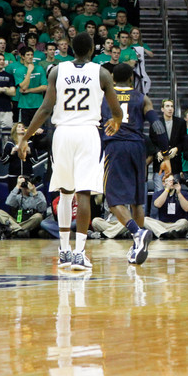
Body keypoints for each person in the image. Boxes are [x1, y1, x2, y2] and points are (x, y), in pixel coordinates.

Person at [19, 32, 122, 271]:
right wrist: (116, 120)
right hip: (87, 133)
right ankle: (79, 253)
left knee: (65, 193)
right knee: (83, 193)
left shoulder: (57, 70)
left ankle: (64, 251)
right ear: (93, 49)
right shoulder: (102, 72)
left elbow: (45, 108)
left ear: (72, 49)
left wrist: (25, 137)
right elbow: (116, 109)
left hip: (62, 132)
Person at [100, 63, 171, 264]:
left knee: (113, 200)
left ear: (113, 78)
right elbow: (157, 126)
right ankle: (136, 246)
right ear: (132, 78)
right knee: (137, 201)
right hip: (138, 147)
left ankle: (137, 234)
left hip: (115, 147)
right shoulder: (142, 98)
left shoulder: (105, 96)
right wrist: (165, 156)